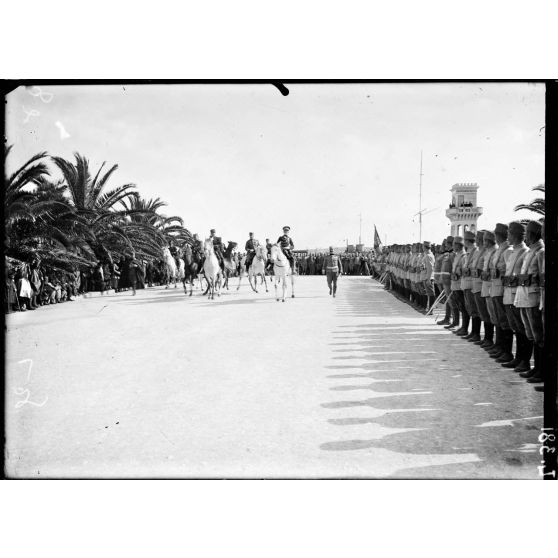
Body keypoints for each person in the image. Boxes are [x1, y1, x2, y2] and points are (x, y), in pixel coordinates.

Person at [514, 220, 544, 383]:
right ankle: (535, 368)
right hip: (525, 295)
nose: (526, 238)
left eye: (528, 234)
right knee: (531, 334)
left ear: (533, 235)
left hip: (533, 296)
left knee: (538, 335)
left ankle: (540, 370)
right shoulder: (531, 251)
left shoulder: (540, 251)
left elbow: (541, 277)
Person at [500, 221, 530, 372]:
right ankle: (517, 358)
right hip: (509, 293)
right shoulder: (511, 253)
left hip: (518, 294)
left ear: (517, 235)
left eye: (510, 234)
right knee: (516, 327)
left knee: (522, 329)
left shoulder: (524, 252)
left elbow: (525, 276)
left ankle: (524, 360)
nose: (508, 236)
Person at [488, 223, 514, 363]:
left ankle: (506, 351)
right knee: (498, 319)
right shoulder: (500, 250)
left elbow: (509, 271)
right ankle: (500, 347)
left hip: (502, 288)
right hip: (495, 287)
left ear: (499, 236)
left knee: (504, 321)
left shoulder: (507, 250)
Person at [450, 236, 468, 335]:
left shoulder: (464, 256)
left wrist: (457, 272)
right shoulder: (457, 255)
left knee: (463, 307)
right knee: (459, 306)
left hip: (460, 284)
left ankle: (464, 328)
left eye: (454, 244)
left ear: (458, 245)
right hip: (455, 284)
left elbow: (463, 270)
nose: (453, 246)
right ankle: (460, 325)